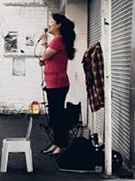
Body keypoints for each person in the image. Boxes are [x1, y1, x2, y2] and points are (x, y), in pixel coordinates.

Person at [39, 13, 76, 156]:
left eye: (52, 22)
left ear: (59, 24)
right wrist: (45, 61)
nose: (49, 24)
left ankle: (61, 144)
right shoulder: (57, 40)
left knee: (57, 115)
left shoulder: (58, 40)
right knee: (54, 116)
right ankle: (56, 143)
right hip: (53, 83)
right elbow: (49, 59)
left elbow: (45, 55)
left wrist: (43, 42)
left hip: (57, 83)